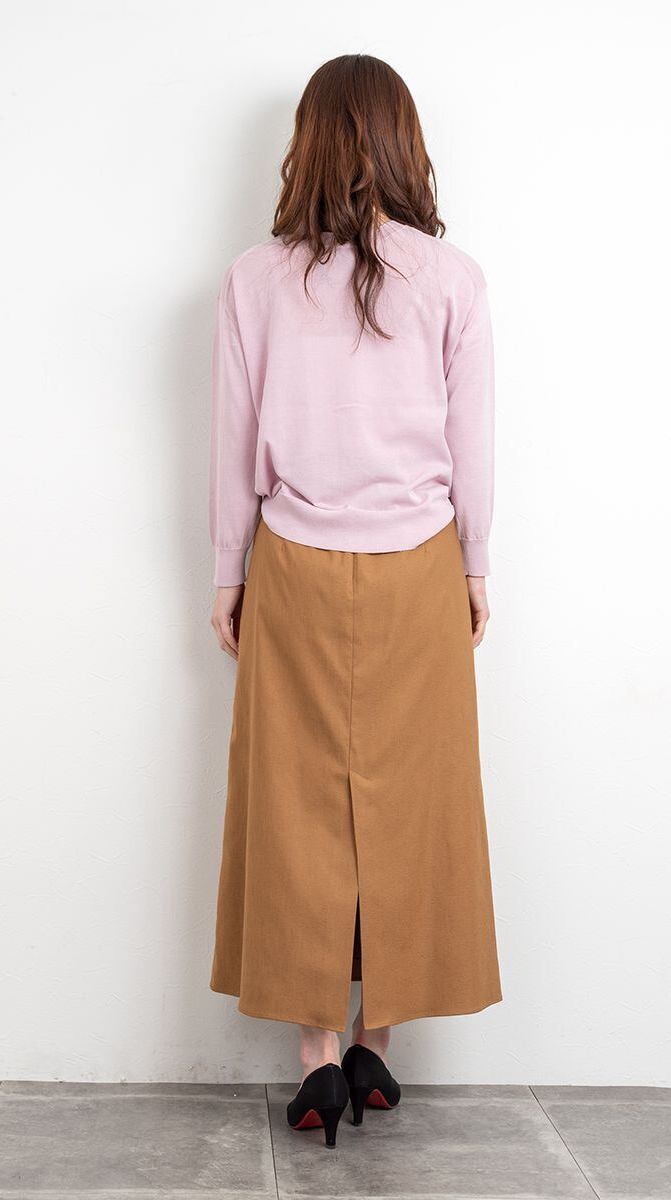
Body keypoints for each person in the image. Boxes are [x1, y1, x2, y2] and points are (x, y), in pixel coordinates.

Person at [207, 53, 501, 1149]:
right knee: (414, 804)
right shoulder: (453, 278)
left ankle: (317, 1060)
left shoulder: (253, 280)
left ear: (309, 144)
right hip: (419, 564)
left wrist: (228, 572)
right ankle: (378, 1041)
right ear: (401, 142)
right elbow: (472, 438)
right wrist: (475, 564)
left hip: (292, 561)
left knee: (295, 809)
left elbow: (233, 441)